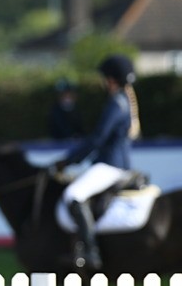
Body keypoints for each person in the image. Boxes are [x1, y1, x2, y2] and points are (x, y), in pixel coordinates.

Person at [53, 54, 142, 270]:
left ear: (110, 80)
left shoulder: (116, 103)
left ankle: (90, 253)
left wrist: (68, 161)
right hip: (114, 164)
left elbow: (98, 138)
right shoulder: (124, 102)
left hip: (110, 166)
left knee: (74, 195)